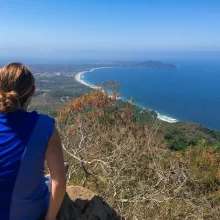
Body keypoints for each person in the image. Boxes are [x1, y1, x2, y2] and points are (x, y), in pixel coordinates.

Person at [0, 63, 66, 220]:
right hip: (27, 213)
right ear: (33, 92)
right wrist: (49, 218)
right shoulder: (44, 126)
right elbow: (60, 182)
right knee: (58, 172)